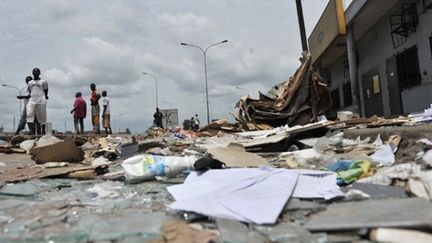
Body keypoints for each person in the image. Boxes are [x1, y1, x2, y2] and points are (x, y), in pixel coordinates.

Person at [26, 68, 48, 135]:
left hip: (41, 101)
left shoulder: (43, 82)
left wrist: (46, 96)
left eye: (37, 72)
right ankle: (31, 131)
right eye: (34, 72)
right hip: (32, 101)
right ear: (32, 73)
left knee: (42, 117)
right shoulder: (30, 83)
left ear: (39, 73)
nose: (35, 73)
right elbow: (30, 91)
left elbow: (46, 89)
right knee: (29, 114)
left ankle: (43, 130)